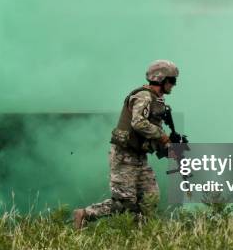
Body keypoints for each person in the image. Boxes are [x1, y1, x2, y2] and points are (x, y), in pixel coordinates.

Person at [73, 60, 179, 229]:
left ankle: (140, 233)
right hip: (124, 156)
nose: (174, 85)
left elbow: (150, 132)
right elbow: (139, 123)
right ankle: (85, 214)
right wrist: (163, 137)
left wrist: (168, 148)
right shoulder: (144, 96)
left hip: (139, 158)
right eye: (172, 81)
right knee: (123, 203)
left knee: (150, 198)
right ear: (161, 79)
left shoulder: (157, 101)